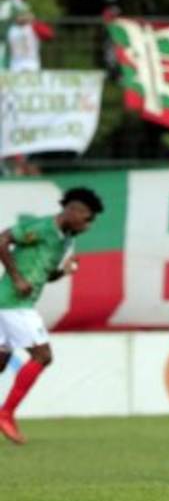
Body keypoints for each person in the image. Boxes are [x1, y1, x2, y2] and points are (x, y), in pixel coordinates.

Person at [0, 188, 104, 444]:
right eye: (87, 218)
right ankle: (5, 414)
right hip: (14, 302)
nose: (88, 226)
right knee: (43, 355)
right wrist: (16, 277)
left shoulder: (65, 240)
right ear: (73, 211)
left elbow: (45, 274)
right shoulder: (42, 227)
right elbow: (2, 239)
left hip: (11, 302)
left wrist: (64, 272)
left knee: (1, 361)